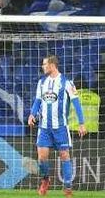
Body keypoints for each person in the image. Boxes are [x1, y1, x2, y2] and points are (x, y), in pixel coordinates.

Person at [28, 55, 87, 197]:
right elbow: (37, 101)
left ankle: (67, 188)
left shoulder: (67, 82)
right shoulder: (42, 82)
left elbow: (76, 103)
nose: (42, 67)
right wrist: (32, 114)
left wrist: (81, 123)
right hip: (44, 127)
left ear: (52, 65)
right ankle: (45, 180)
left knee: (65, 156)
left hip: (60, 128)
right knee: (42, 158)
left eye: (44, 64)